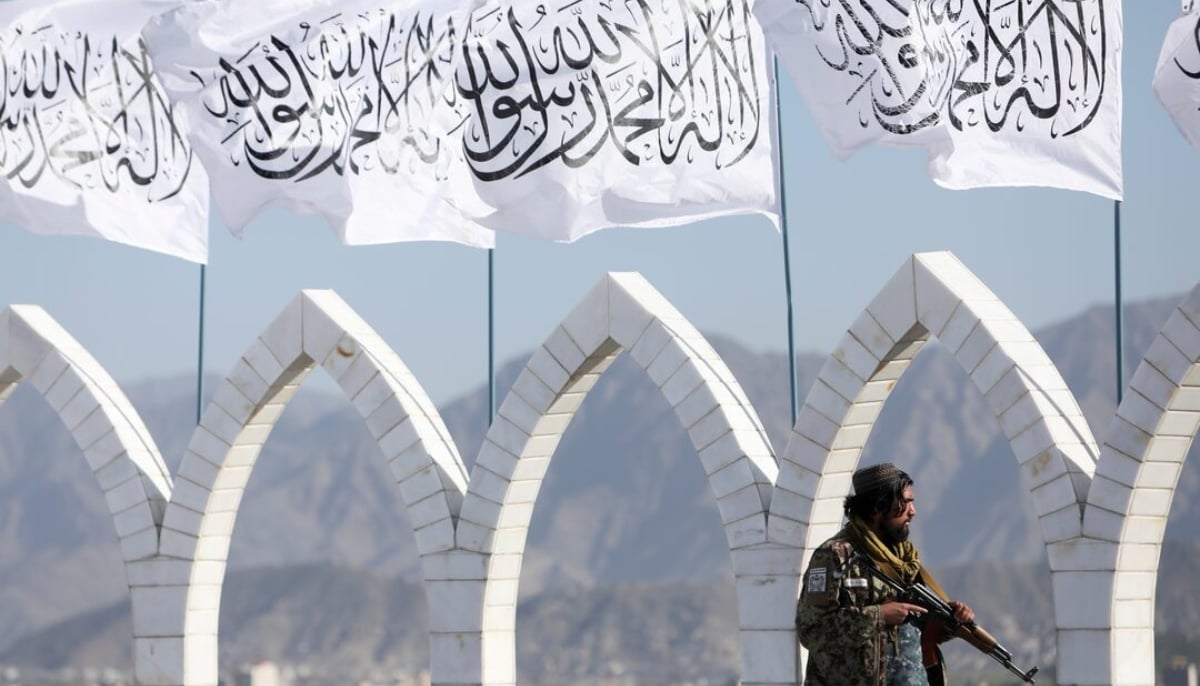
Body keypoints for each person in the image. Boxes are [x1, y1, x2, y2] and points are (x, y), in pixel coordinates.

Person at [795, 462, 975, 686]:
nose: (913, 512)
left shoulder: (905, 559)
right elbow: (811, 632)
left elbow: (920, 632)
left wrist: (951, 620)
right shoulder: (834, 556)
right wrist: (878, 615)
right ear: (877, 507)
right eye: (905, 503)